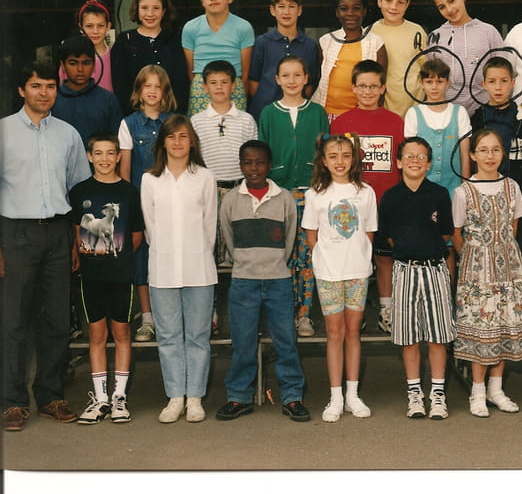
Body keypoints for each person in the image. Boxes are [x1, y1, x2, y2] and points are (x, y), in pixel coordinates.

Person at [1, 61, 90, 431]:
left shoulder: (68, 135)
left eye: (50, 86)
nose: (44, 93)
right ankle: (12, 402)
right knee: (14, 321)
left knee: (56, 320)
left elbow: (79, 190)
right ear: (22, 90)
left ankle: (51, 396)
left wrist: (74, 240)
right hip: (15, 233)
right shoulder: (4, 132)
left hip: (57, 232)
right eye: (36, 86)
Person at [216, 140, 310, 423]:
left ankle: (292, 396)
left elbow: (290, 238)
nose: (253, 168)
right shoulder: (231, 200)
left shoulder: (284, 199)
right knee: (243, 343)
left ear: (269, 166)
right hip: (244, 281)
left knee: (286, 341)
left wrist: (274, 263)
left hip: (278, 280)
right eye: (247, 162)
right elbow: (228, 238)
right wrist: (245, 263)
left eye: (259, 162)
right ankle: (239, 396)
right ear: (240, 165)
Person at [451, 129, 522, 417]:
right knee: (482, 327)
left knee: (504, 324)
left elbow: (513, 227)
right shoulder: (463, 191)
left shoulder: (511, 186)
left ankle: (496, 388)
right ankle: (477, 392)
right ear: (472, 155)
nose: (489, 156)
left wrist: (503, 254)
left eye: (495, 150)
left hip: (507, 266)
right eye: (483, 150)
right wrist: (474, 257)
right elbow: (456, 233)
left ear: (503, 154)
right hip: (477, 269)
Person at [140, 115, 217, 423]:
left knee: (197, 335)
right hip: (163, 268)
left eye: (183, 136)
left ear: (192, 142)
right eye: (171, 137)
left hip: (199, 267)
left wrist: (198, 253)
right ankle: (175, 397)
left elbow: (209, 226)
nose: (177, 142)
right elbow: (150, 228)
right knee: (169, 336)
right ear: (162, 142)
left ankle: (195, 398)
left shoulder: (205, 177)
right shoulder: (149, 180)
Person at [302, 133, 377, 422]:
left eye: (346, 155)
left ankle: (353, 395)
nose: (340, 161)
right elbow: (312, 236)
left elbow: (368, 234)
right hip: (329, 273)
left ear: (354, 158)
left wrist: (358, 258)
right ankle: (335, 397)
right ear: (323, 161)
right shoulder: (315, 194)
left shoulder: (365, 192)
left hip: (357, 272)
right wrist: (326, 260)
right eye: (333, 156)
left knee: (353, 332)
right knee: (335, 333)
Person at [378, 137, 455, 419]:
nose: (415, 160)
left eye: (421, 156)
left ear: (429, 163)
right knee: (409, 337)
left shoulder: (439, 194)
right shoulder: (390, 197)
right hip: (404, 270)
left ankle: (437, 394)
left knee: (437, 336)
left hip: (434, 269)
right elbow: (388, 237)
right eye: (409, 156)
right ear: (398, 162)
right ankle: (414, 394)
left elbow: (445, 233)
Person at [70, 133, 144, 424]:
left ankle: (119, 398)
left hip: (121, 276)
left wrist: (118, 257)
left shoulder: (129, 192)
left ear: (118, 156)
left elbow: (136, 234)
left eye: (110, 153)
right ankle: (100, 399)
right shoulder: (79, 191)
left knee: (122, 333)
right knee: (97, 335)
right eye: (98, 153)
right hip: (91, 276)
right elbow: (76, 231)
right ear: (89, 156)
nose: (104, 159)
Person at [330, 60, 405, 332]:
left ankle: (387, 309)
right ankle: (354, 311)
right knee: (353, 260)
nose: (368, 91)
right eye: (362, 86)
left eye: (373, 86)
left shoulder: (396, 121)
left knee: (385, 257)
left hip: (386, 202)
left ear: (383, 88)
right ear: (353, 88)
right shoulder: (342, 123)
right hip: (352, 203)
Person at [258, 54, 329, 337]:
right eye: (285, 75)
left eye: (297, 75)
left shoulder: (317, 112)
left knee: (308, 255)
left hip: (311, 193)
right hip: (280, 194)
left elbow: (325, 152)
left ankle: (305, 314)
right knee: (283, 255)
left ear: (306, 78)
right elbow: (262, 153)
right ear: (277, 80)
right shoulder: (268, 113)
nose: (291, 81)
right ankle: (284, 313)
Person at [118, 64, 177, 342]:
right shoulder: (128, 124)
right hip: (141, 203)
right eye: (147, 86)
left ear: (165, 92)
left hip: (171, 203)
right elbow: (125, 173)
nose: (152, 91)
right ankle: (147, 317)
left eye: (158, 87)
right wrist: (129, 210)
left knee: (169, 257)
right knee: (142, 259)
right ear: (139, 90)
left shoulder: (174, 122)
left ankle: (169, 316)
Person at [403, 56, 470, 279]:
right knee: (423, 238)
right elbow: (410, 155)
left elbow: (465, 153)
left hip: (452, 188)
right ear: (421, 83)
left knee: (449, 243)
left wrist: (466, 187)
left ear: (448, 83)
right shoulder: (414, 113)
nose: (434, 87)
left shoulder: (458, 112)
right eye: (429, 81)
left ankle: (447, 293)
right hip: (422, 190)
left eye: (440, 81)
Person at [190, 59, 258, 278]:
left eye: (224, 82)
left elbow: (253, 158)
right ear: (204, 87)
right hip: (209, 189)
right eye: (213, 82)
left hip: (239, 188)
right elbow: (194, 159)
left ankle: (240, 290)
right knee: (211, 242)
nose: (219, 87)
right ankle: (212, 295)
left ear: (234, 86)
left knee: (239, 241)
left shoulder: (246, 120)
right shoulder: (196, 121)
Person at [470, 55, 522, 257]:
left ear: (513, 82)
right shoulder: (477, 118)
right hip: (484, 193)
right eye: (492, 82)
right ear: (484, 84)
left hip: (518, 194)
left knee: (517, 250)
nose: (498, 87)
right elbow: (471, 155)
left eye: (504, 81)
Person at [427, 0, 504, 115]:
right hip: (448, 115)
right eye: (442, 7)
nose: (449, 9)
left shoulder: (488, 31)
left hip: (487, 113)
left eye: (452, 1)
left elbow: (504, 72)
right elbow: (430, 78)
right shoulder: (435, 37)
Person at [110, 0, 190, 114]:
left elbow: (181, 83)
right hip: (135, 117)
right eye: (144, 8)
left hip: (170, 117)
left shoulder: (175, 39)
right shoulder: (125, 41)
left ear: (163, 11)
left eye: (156, 8)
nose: (150, 14)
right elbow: (120, 86)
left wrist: (174, 116)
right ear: (137, 9)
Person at [311, 0, 386, 119]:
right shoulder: (326, 41)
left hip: (361, 114)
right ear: (337, 12)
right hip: (327, 112)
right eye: (344, 9)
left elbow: (380, 83)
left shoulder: (376, 43)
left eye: (356, 8)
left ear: (364, 11)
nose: (350, 13)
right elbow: (320, 78)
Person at [182, 0, 254, 115]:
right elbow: (190, 71)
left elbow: (245, 73)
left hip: (233, 88)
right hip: (201, 88)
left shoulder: (243, 27)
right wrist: (204, 86)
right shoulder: (191, 28)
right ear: (202, 0)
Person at [247, 0, 320, 121]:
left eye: (292, 6)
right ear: (272, 10)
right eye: (281, 6)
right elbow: (253, 82)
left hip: (297, 114)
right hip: (264, 112)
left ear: (299, 10)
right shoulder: (262, 42)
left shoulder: (310, 45)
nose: (286, 12)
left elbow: (310, 85)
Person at [52, 34, 122, 143]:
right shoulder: (52, 99)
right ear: (63, 66)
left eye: (86, 63)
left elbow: (116, 141)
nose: (80, 69)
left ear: (94, 65)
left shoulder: (108, 100)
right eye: (73, 63)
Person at [372, 0, 426, 117]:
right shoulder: (371, 32)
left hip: (414, 105)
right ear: (379, 1)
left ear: (407, 4)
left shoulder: (417, 31)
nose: (394, 7)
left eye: (400, 2)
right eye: (388, 0)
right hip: (383, 105)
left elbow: (425, 68)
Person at [61, 0, 114, 94]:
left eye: (100, 26)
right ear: (81, 27)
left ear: (108, 26)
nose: (95, 31)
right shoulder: (71, 60)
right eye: (89, 26)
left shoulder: (116, 57)